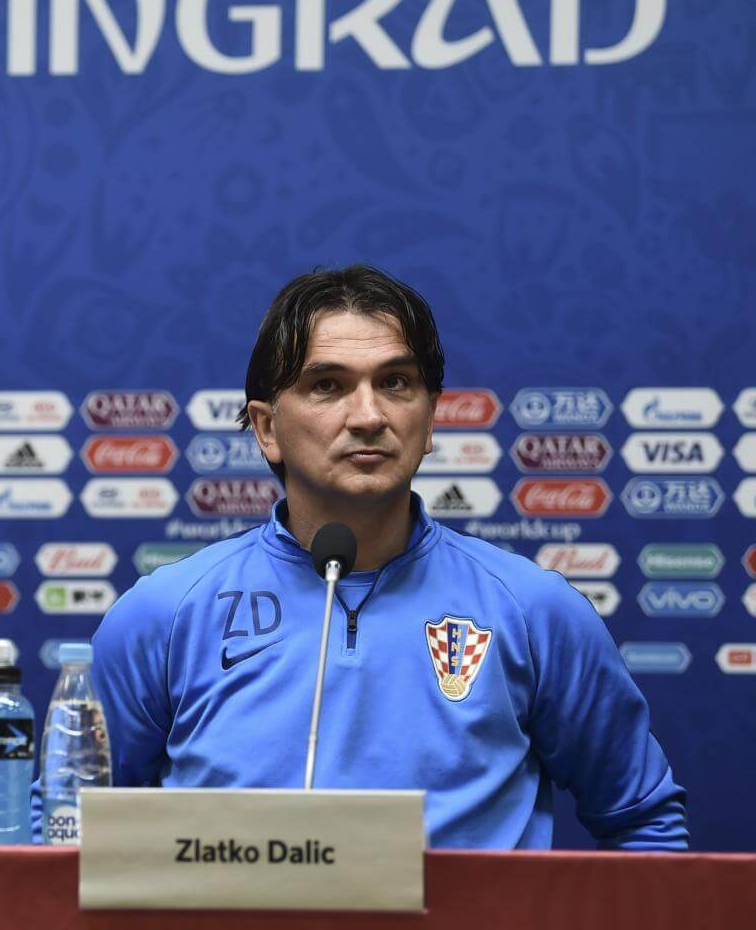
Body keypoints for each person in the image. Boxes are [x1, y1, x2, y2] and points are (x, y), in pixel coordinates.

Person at [92, 265, 688, 849]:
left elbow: (644, 825)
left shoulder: (533, 609)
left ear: (429, 420)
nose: (369, 416)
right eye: (328, 386)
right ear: (266, 428)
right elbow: (74, 827)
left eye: (396, 382)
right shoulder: (164, 614)